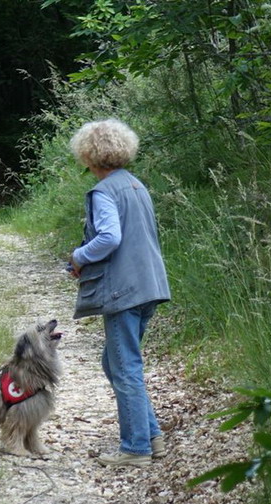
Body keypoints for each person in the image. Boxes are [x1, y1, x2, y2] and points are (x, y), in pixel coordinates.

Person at [67, 118, 171, 467]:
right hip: (150, 284)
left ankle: (135, 448)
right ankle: (152, 436)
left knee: (125, 366)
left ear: (87, 155)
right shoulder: (136, 185)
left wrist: (79, 256)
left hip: (124, 290)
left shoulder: (104, 191)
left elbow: (110, 238)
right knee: (114, 362)